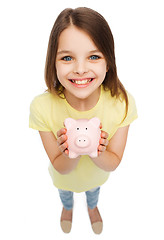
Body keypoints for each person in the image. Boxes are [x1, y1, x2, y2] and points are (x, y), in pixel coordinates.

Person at [29, 7, 137, 234]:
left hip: (98, 175)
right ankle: (67, 209)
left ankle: (92, 206)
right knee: (65, 194)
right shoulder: (41, 107)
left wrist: (96, 150)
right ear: (53, 62)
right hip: (63, 178)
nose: (80, 69)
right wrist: (71, 151)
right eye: (67, 57)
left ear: (108, 63)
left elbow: (114, 161)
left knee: (93, 191)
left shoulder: (122, 103)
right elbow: (61, 167)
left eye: (94, 56)